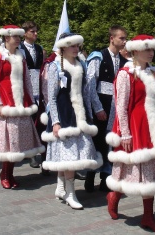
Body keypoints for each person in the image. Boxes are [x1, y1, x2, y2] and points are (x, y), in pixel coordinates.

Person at [106, 34, 155, 233]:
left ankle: (148, 216)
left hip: (153, 127)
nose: (151, 53)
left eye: (152, 49)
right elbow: (120, 107)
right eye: (147, 49)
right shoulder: (125, 74)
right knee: (129, 170)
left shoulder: (153, 73)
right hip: (135, 126)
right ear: (135, 51)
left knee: (151, 171)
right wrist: (126, 134)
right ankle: (114, 195)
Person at [40, 32, 102, 210]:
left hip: (78, 113)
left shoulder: (81, 64)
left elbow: (85, 92)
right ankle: (70, 192)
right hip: (64, 112)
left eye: (78, 46)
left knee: (72, 154)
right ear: (64, 47)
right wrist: (56, 121)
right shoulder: (55, 67)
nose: (76, 49)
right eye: (72, 46)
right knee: (67, 154)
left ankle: (61, 187)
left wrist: (88, 113)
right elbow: (51, 96)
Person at [0, 25, 45, 189]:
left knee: (16, 142)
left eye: (19, 36)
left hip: (20, 102)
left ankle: (9, 173)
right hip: (5, 101)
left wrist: (31, 100)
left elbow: (26, 80)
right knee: (8, 141)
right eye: (15, 36)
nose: (18, 39)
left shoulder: (21, 55)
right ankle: (5, 173)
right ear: (6, 38)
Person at [83, 25, 128, 193]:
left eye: (125, 38)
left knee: (110, 141)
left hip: (115, 108)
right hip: (101, 104)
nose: (124, 41)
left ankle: (105, 177)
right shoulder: (98, 57)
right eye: (121, 38)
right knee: (96, 141)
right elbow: (90, 84)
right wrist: (97, 108)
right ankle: (90, 176)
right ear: (112, 38)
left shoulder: (124, 62)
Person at [19, 21, 46, 169]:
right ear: (25, 33)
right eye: (32, 31)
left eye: (36, 31)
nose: (35, 34)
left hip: (39, 87)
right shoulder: (20, 49)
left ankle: (40, 150)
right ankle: (30, 153)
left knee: (39, 121)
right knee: (29, 122)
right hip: (26, 87)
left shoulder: (39, 48)